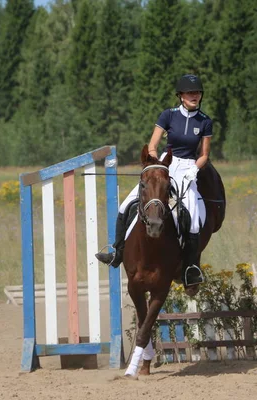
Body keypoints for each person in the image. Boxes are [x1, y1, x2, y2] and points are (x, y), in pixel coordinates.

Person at [95, 74, 213, 286]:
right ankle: (117, 252)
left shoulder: (204, 121)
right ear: (181, 96)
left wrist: (194, 169)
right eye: (190, 93)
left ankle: (190, 268)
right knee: (125, 205)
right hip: (163, 165)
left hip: (188, 167)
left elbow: (204, 154)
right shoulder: (168, 115)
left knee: (194, 215)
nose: (195, 96)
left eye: (197, 93)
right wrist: (156, 164)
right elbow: (152, 145)